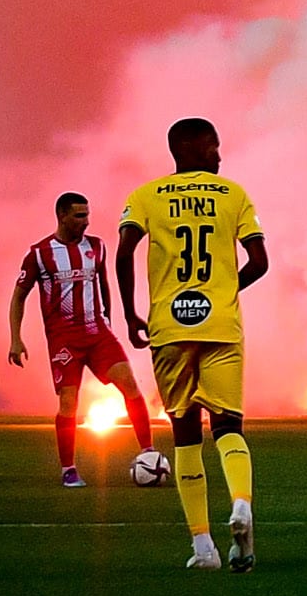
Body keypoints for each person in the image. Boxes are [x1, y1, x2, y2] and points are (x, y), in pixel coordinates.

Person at [115, 118, 268, 572]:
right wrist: (223, 290)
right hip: (219, 325)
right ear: (191, 148)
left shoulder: (145, 196)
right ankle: (240, 503)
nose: (218, 156)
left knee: (185, 436)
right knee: (229, 427)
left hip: (168, 327)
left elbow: (123, 253)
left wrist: (129, 313)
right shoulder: (233, 194)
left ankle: (204, 548)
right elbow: (259, 261)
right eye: (213, 148)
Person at [9, 193, 157, 485]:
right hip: (64, 338)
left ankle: (148, 453)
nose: (86, 222)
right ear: (62, 216)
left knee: (130, 386)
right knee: (69, 402)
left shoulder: (97, 247)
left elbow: (104, 285)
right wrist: (16, 338)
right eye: (79, 216)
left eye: (87, 215)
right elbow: (18, 297)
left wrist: (111, 322)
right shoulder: (39, 254)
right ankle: (68, 470)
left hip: (98, 332)